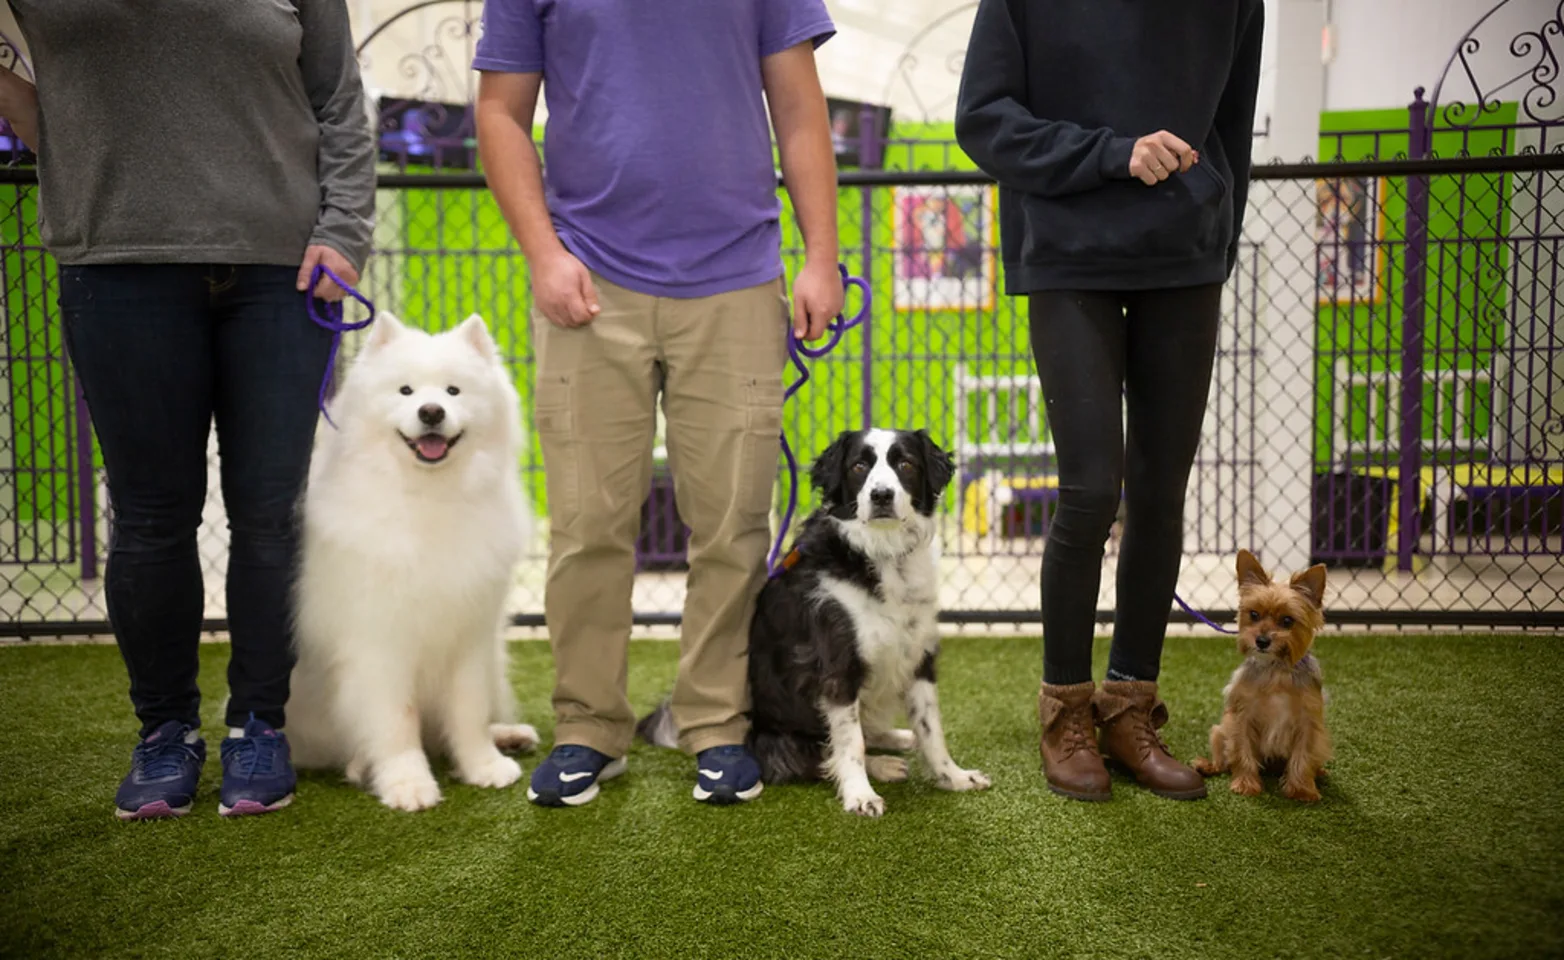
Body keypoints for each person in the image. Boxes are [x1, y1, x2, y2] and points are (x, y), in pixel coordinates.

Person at [0, 0, 376, 819]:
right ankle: (164, 731)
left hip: (282, 271)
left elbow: (339, 99)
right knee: (149, 517)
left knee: (271, 514)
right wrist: (69, 147)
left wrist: (345, 232)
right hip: (117, 263)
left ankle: (257, 726)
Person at [473, 0, 842, 807]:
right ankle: (588, 730)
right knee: (585, 526)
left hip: (740, 278)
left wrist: (823, 256)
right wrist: (543, 253)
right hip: (587, 284)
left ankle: (715, 725)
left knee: (733, 526)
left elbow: (800, 109)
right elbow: (500, 111)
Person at [955, 0, 1264, 802]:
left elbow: (1233, 115)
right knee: (1091, 489)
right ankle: (1066, 711)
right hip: (1066, 253)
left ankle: (1130, 708)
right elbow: (983, 120)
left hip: (1185, 256)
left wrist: (1216, 230)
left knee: (1161, 492)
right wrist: (1113, 155)